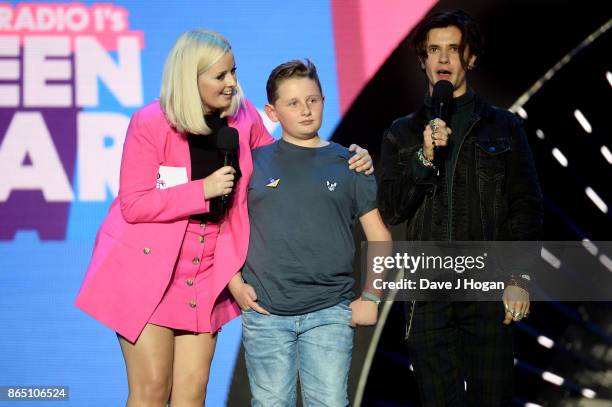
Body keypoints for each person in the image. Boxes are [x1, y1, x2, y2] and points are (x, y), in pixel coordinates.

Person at [74, 30, 372, 406]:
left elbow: (284, 159)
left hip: (205, 272)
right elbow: (134, 204)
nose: (232, 83)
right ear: (190, 77)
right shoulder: (150, 122)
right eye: (220, 76)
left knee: (192, 394)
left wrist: (346, 157)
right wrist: (202, 190)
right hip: (146, 271)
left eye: (233, 72)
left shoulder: (244, 116)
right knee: (151, 390)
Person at [377, 10, 543, 406]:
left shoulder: (503, 128)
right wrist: (424, 155)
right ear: (423, 60)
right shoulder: (401, 133)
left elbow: (526, 206)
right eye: (434, 50)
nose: (443, 60)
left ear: (470, 57)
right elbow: (392, 210)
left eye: (453, 49)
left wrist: (519, 275)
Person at [227, 59, 391, 406]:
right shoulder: (252, 164)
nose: (306, 110)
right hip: (265, 314)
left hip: (329, 312)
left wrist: (372, 297)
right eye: (293, 103)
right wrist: (235, 285)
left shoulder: (351, 163)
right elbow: (227, 229)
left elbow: (379, 236)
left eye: (313, 100)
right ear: (272, 111)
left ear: (323, 100)